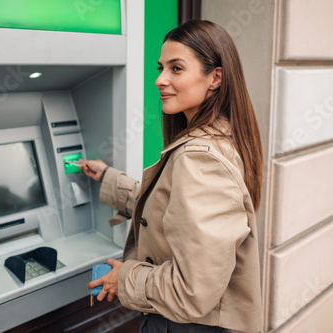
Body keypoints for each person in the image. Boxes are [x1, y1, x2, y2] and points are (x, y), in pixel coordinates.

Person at [81, 20, 263, 333]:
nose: (160, 80)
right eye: (160, 67)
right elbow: (176, 210)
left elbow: (191, 292)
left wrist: (123, 277)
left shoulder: (200, 158)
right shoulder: (222, 136)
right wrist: (110, 179)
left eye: (176, 69)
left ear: (215, 77)